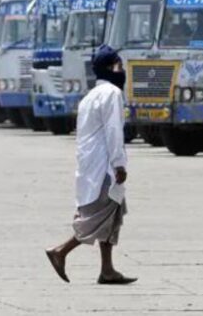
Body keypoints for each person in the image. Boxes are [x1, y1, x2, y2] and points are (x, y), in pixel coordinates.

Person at [45, 45, 137, 285]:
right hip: (104, 167)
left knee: (113, 216)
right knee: (98, 217)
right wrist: (119, 165)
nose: (122, 70)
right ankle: (60, 251)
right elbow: (114, 131)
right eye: (118, 65)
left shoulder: (90, 97)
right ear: (109, 68)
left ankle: (107, 270)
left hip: (91, 167)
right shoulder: (112, 94)